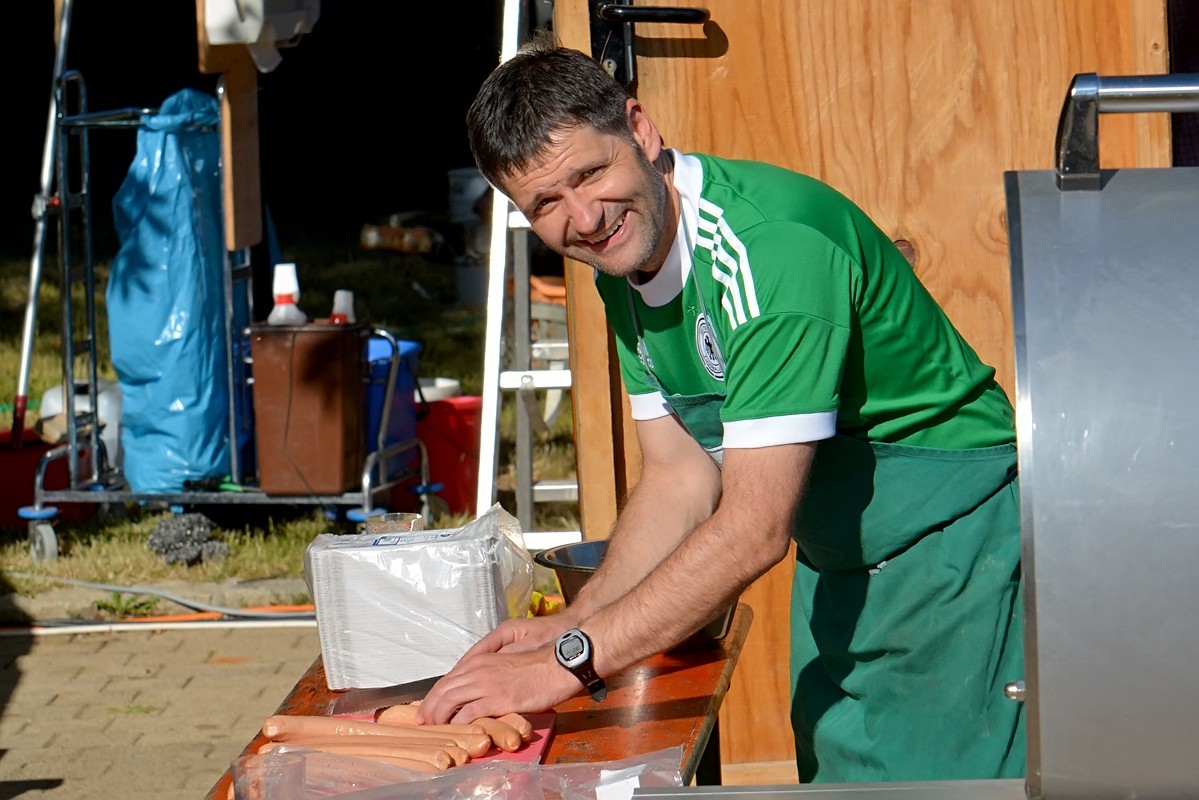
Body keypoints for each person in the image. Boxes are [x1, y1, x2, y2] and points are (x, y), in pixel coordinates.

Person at [417, 32, 1025, 784]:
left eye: (590, 173)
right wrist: (572, 622)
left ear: (639, 130)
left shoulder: (766, 249)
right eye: (546, 203)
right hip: (845, 566)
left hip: (954, 553)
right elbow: (679, 476)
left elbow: (753, 529)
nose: (585, 216)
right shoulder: (623, 265)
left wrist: (566, 665)